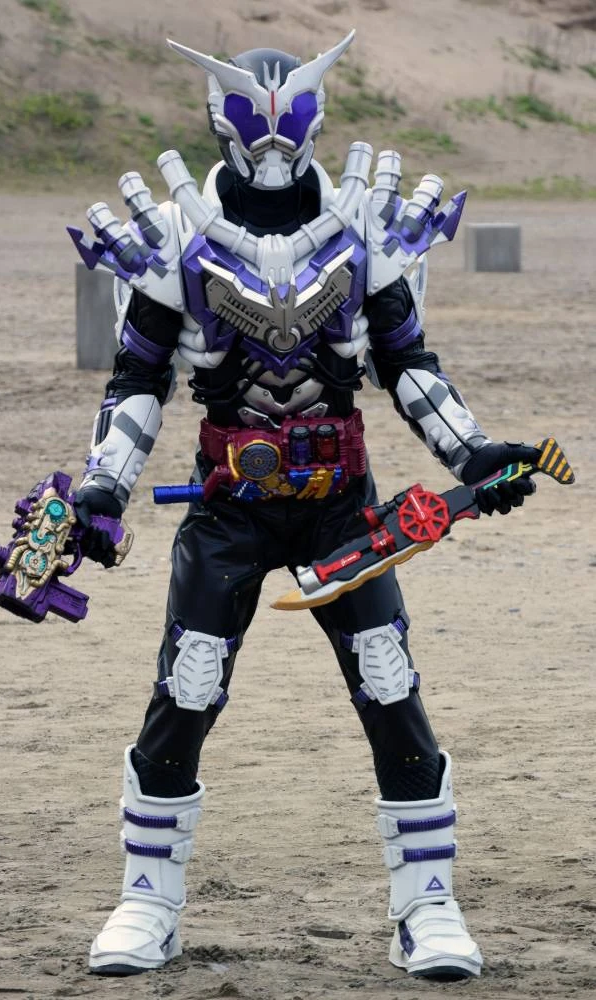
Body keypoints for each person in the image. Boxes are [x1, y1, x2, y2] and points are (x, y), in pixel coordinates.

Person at [69, 31, 538, 979]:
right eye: (256, 126)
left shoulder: (363, 229)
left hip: (341, 506)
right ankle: (147, 900)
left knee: (389, 683)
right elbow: (138, 378)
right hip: (228, 501)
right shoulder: (177, 236)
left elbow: (406, 361)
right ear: (221, 122)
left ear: (317, 122)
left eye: (292, 125)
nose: (274, 146)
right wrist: (103, 485)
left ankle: (426, 906)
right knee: (186, 687)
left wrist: (471, 451)